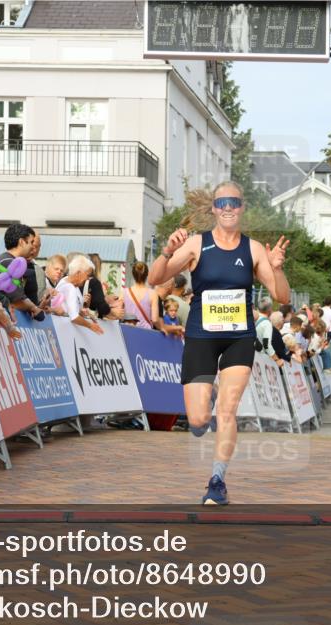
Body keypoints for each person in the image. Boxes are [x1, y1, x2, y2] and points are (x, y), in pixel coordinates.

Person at [147, 180, 290, 506]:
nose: (228, 208)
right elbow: (157, 278)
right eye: (222, 202)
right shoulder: (197, 244)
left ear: (241, 208)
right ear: (214, 208)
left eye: (234, 203)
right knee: (198, 419)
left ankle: (217, 480)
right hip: (200, 336)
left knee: (227, 411)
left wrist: (278, 269)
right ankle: (201, 415)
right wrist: (168, 251)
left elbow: (282, 297)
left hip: (239, 337)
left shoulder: (253, 249)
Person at [54, 254, 104, 335]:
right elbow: (74, 317)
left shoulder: (68, 282)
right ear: (78, 273)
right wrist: (91, 326)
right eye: (88, 275)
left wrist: (82, 311)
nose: (88, 279)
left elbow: (69, 307)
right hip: (64, 332)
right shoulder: (69, 288)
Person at [123, 261, 159, 330]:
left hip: (128, 330)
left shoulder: (124, 292)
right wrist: (163, 327)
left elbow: (118, 314)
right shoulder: (153, 294)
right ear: (147, 274)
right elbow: (155, 319)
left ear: (133, 274)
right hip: (145, 332)